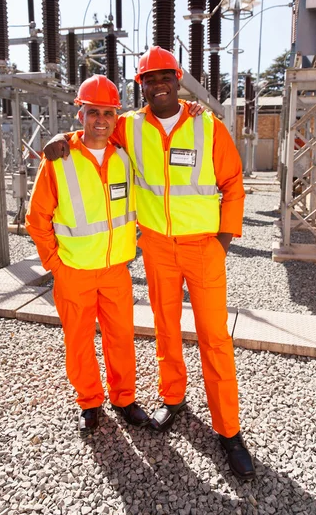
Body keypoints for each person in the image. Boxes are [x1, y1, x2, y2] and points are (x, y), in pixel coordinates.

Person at [44, 46, 255, 480]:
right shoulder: (128, 125)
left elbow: (233, 182)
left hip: (203, 249)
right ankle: (173, 398)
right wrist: (63, 139)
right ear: (141, 85)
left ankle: (228, 431)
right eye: (149, 78)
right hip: (157, 246)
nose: (158, 83)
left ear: (178, 80)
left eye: (165, 76)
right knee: (165, 328)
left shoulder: (207, 125)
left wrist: (223, 241)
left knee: (215, 338)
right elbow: (92, 133)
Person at [26, 75, 150, 437]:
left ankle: (124, 399)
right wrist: (54, 264)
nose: (100, 120)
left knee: (121, 338)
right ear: (80, 113)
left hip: (115, 270)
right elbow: (37, 219)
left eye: (108, 113)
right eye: (92, 111)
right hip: (74, 272)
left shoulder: (125, 158)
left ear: (116, 117)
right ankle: (89, 402)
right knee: (79, 342)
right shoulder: (60, 159)